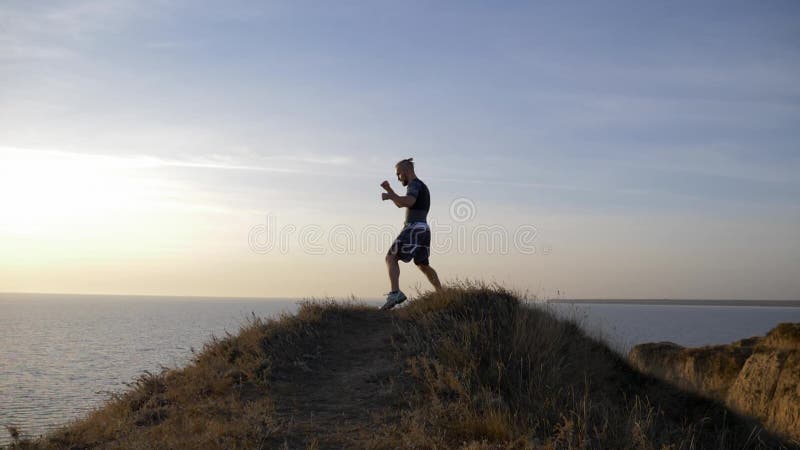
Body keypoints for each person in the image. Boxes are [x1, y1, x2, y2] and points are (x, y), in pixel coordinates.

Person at [380, 158, 442, 310]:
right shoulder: (422, 186)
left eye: (399, 174)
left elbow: (409, 202)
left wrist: (390, 196)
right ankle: (441, 293)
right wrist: (390, 191)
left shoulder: (414, 184)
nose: (398, 177)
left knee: (390, 257)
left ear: (406, 171)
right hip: (424, 229)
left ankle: (395, 293)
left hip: (413, 228)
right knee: (423, 264)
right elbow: (401, 204)